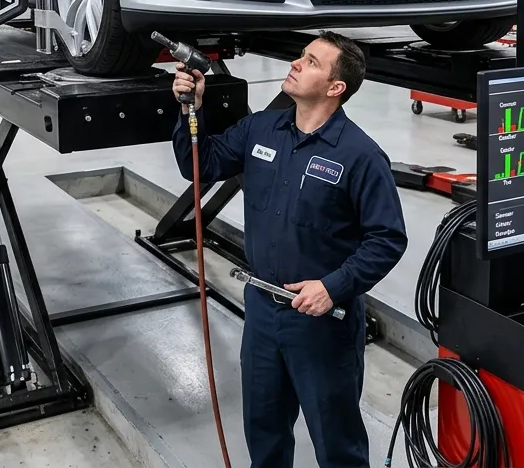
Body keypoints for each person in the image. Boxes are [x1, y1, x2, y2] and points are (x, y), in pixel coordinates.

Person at [171, 31, 407, 468]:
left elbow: (388, 238)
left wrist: (333, 288)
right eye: (301, 55)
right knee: (264, 430)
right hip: (262, 309)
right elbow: (198, 165)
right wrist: (192, 109)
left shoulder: (360, 155)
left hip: (320, 322)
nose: (297, 64)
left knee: (336, 441)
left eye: (312, 62)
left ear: (336, 88)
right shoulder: (262, 128)